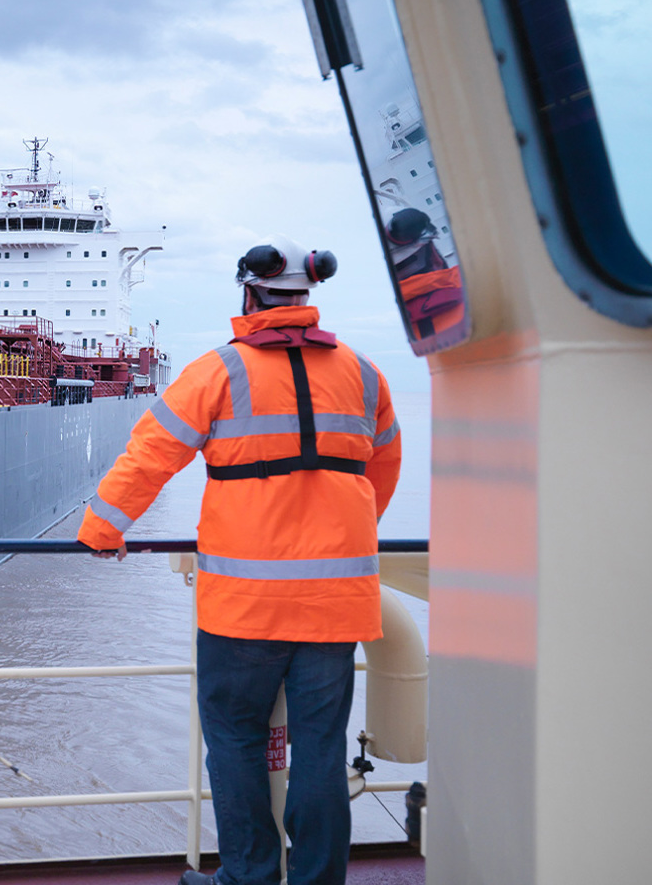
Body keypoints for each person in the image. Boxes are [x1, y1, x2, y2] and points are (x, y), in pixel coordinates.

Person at [77, 236, 401, 885]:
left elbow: (150, 456)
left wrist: (102, 529)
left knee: (233, 743)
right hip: (337, 607)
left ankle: (249, 877)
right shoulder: (365, 375)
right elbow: (382, 473)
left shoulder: (217, 372)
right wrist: (339, 540)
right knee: (320, 752)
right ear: (306, 298)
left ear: (250, 294)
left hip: (241, 611)